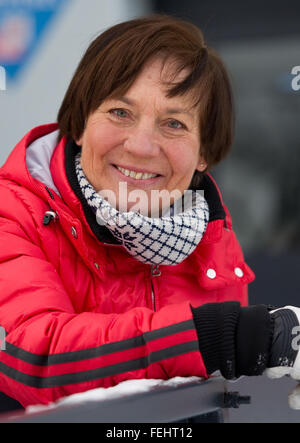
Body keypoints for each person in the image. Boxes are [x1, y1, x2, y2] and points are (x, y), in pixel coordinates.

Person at [0, 14, 299, 409]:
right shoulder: (13, 212)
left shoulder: (212, 240)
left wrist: (270, 391)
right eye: (120, 113)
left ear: (203, 153)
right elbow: (32, 359)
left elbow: (218, 405)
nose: (141, 146)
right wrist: (218, 338)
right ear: (80, 120)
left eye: (173, 123)